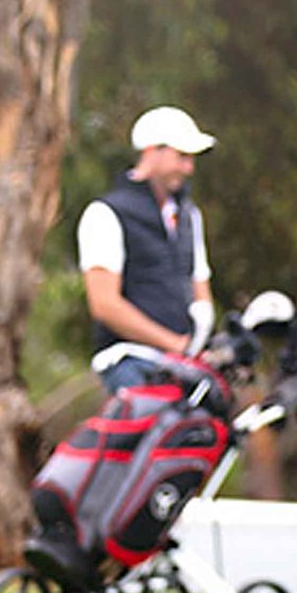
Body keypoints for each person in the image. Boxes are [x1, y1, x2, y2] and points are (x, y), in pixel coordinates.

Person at [78, 106, 218, 394]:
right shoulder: (106, 213)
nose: (188, 168)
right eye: (181, 156)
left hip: (183, 364)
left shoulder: (190, 215)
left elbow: (199, 286)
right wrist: (176, 344)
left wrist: (198, 339)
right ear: (152, 151)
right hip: (130, 362)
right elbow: (104, 304)